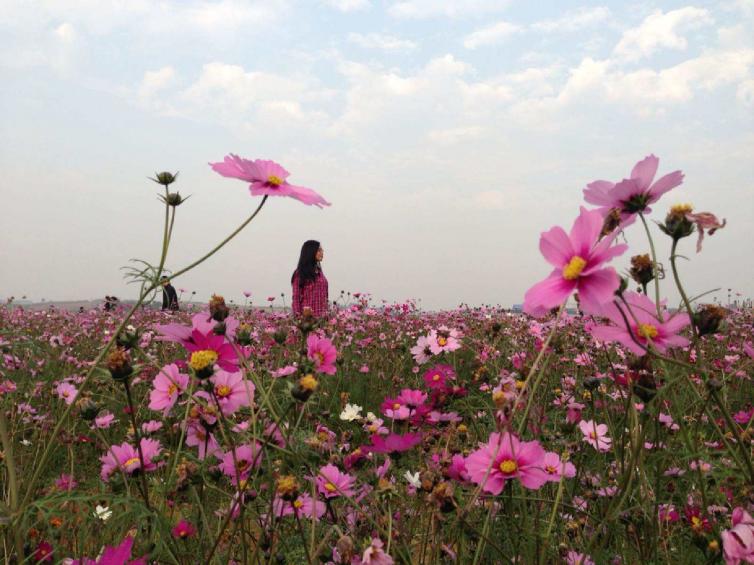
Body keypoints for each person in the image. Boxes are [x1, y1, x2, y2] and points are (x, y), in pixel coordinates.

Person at [291, 240, 328, 317]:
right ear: (311, 252)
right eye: (319, 250)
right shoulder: (300, 273)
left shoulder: (320, 273)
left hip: (322, 321)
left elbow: (325, 298)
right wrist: (299, 320)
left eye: (322, 250)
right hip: (308, 322)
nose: (322, 252)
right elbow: (296, 299)